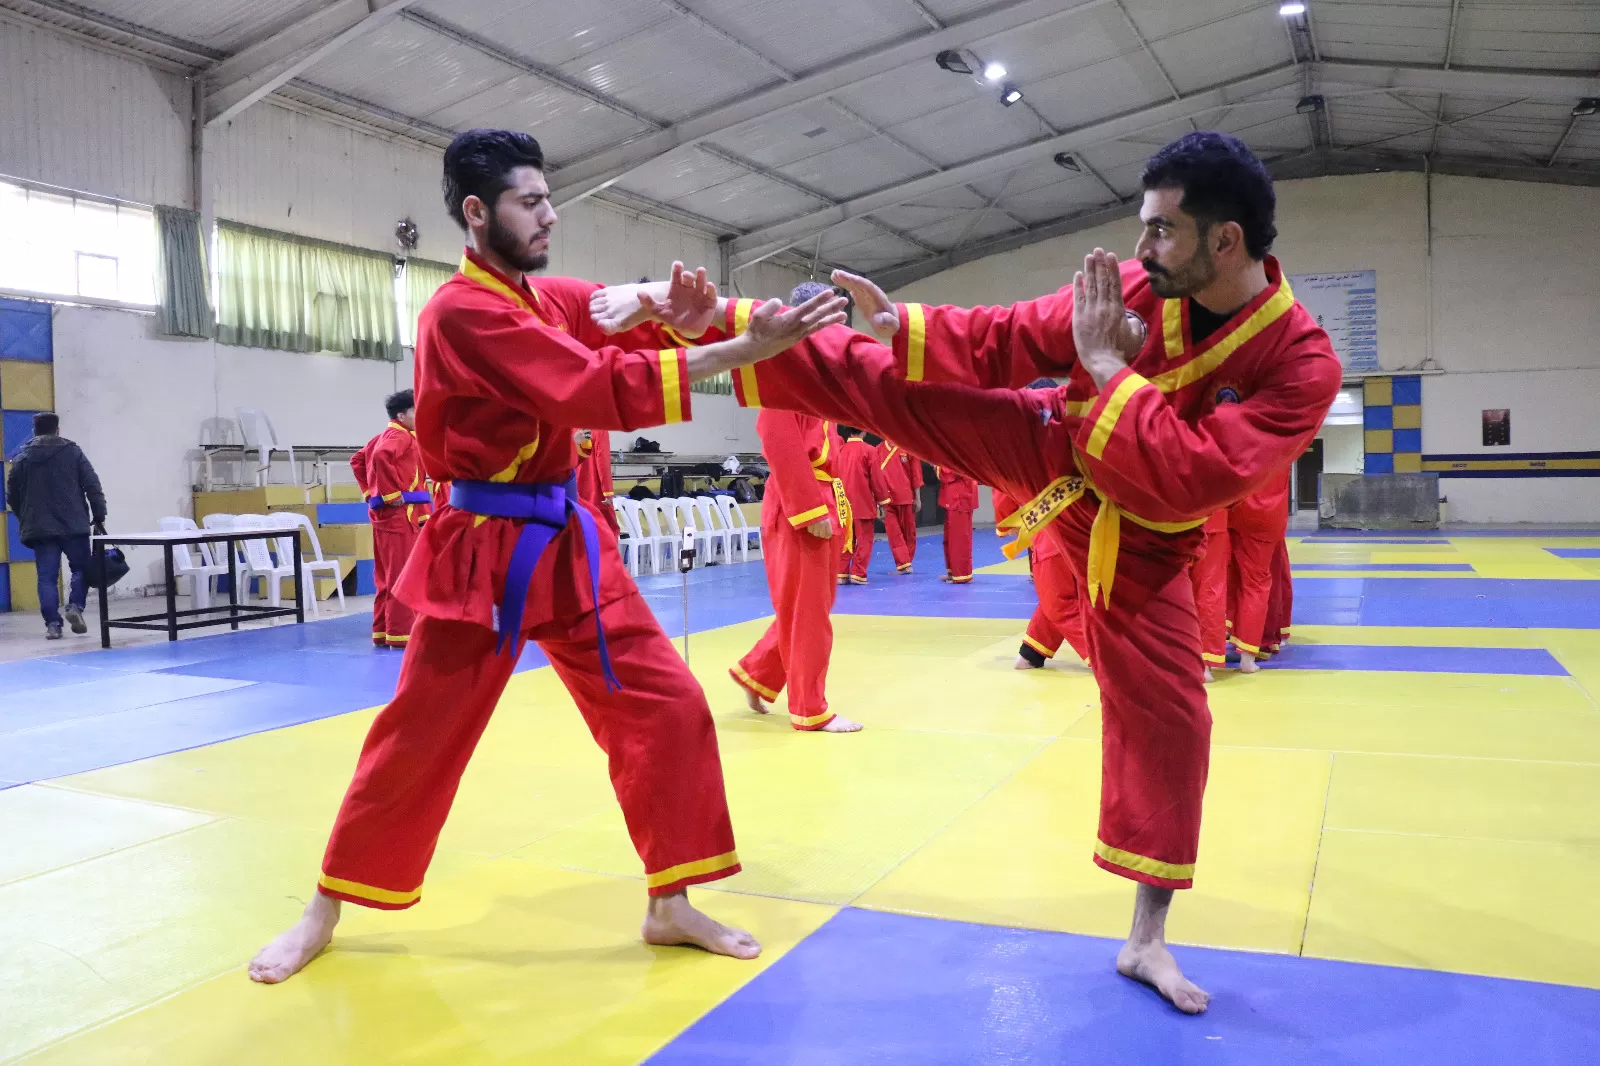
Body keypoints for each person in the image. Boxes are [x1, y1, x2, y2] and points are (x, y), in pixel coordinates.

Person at [594, 131, 1341, 1014]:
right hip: (1055, 442)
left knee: (1174, 722)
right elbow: (1005, 336)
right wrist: (890, 322)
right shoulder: (1137, 287)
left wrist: (1104, 363)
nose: (1141, 250)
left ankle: (1147, 939)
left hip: (1149, 537)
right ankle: (709, 316)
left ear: (1227, 241)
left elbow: (1193, 474)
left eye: (1162, 232)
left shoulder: (1302, 362)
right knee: (889, 383)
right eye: (1142, 228)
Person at [247, 129, 847, 985]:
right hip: (481, 551)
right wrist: (737, 350)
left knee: (669, 706)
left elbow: (609, 319)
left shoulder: (538, 297)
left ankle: (671, 901)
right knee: (419, 736)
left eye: (548, 198)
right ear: (477, 211)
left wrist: (678, 310)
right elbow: (592, 387)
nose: (550, 215)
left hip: (568, 542)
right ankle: (324, 908)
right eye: (532, 202)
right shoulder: (460, 313)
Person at [728, 281, 864, 734]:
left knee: (810, 606)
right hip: (799, 505)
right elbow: (778, 438)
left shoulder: (816, 373)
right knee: (808, 612)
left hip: (821, 497)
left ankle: (758, 673)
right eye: (832, 320)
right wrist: (810, 511)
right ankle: (810, 707)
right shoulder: (784, 368)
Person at [5, 412, 105, 640]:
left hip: (41, 528)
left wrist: (26, 517)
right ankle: (75, 608)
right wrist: (99, 514)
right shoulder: (73, 452)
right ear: (57, 429)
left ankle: (53, 625)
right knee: (81, 569)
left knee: (47, 578)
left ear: (34, 431)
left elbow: (12, 495)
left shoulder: (23, 458)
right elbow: (92, 485)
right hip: (74, 525)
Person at [350, 390, 431, 649]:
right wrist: (390, 494)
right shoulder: (398, 436)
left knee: (386, 578)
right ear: (401, 415)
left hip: (388, 516)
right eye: (415, 411)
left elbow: (357, 460)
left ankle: (383, 633)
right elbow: (383, 456)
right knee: (400, 577)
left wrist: (369, 493)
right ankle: (400, 634)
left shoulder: (386, 435)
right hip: (399, 516)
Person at [1225, 466, 1291, 674]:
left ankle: (1223, 645)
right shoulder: (1287, 441)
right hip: (1270, 516)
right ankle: (1249, 653)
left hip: (1238, 509)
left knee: (1228, 581)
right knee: (1258, 584)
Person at [836, 425, 887, 584]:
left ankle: (841, 573)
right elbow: (877, 480)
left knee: (846, 539)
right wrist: (883, 502)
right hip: (862, 502)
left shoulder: (840, 450)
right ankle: (858, 572)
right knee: (864, 539)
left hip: (842, 503)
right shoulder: (870, 450)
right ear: (864, 431)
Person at [1189, 509, 1229, 682]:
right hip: (1214, 517)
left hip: (1176, 519)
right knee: (1211, 590)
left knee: (1172, 590)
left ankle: (1173, 658)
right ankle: (1206, 662)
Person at [877, 438, 922, 573]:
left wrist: (918, 498)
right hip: (886, 500)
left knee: (909, 532)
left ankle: (907, 563)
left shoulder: (908, 447)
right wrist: (877, 501)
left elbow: (916, 475)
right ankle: (903, 564)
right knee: (893, 533)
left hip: (906, 497)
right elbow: (875, 478)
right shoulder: (878, 450)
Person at [936, 466, 979, 583]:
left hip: (960, 497)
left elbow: (953, 471)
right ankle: (954, 572)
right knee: (950, 538)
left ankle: (962, 574)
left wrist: (936, 465)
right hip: (955, 496)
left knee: (959, 540)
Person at [574, 429, 621, 536]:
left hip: (574, 489)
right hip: (594, 489)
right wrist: (607, 491)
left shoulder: (571, 427)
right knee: (607, 531)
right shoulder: (600, 429)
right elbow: (602, 459)